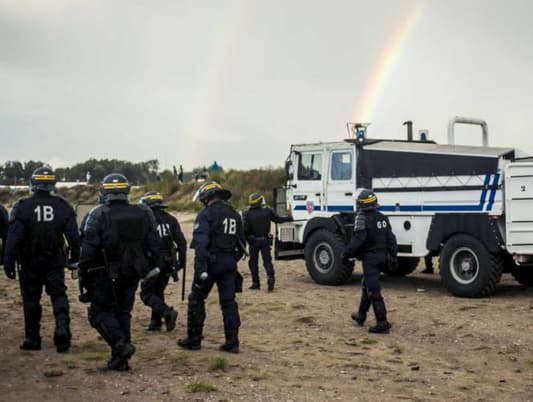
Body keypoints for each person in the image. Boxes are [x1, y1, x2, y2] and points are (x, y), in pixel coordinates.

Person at [79, 173, 160, 370]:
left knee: (98, 313)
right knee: (123, 312)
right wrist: (151, 268)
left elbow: (88, 249)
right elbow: (155, 244)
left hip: (106, 272)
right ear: (127, 190)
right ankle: (120, 360)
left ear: (104, 191)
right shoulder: (144, 211)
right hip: (133, 272)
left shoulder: (98, 214)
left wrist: (83, 272)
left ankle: (121, 346)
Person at [3, 167, 80, 352]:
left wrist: (8, 262)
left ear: (32, 184)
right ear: (53, 184)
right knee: (58, 295)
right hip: (55, 260)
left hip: (29, 262)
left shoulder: (21, 206)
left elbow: (13, 237)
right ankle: (62, 330)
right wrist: (76, 258)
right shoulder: (63, 206)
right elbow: (74, 237)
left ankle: (33, 337)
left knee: (31, 299)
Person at [177, 181, 245, 353]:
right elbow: (242, 244)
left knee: (196, 298)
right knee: (229, 303)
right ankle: (232, 342)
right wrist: (231, 260)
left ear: (207, 197)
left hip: (211, 263)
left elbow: (200, 245)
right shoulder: (235, 215)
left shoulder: (206, 214)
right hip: (229, 263)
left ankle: (194, 339)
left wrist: (201, 270)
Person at [344, 189, 397, 334]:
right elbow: (391, 239)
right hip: (382, 256)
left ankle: (382, 321)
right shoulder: (383, 217)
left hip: (370, 258)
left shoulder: (362, 218)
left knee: (373, 290)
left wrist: (346, 253)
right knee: (366, 285)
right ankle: (361, 315)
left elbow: (358, 239)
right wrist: (393, 256)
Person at [139, 191, 186, 332]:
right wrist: (181, 262)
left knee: (146, 294)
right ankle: (155, 323)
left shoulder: (145, 220)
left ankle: (167, 312)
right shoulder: (170, 219)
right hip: (168, 262)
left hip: (153, 262)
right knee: (158, 291)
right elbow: (181, 242)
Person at [242, 192, 292, 291]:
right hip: (265, 240)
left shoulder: (247, 212)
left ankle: (256, 283)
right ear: (260, 201)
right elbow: (278, 220)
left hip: (253, 241)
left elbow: (245, 230)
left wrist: (246, 240)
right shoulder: (268, 210)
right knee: (267, 262)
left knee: (253, 263)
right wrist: (289, 217)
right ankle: (270, 278)